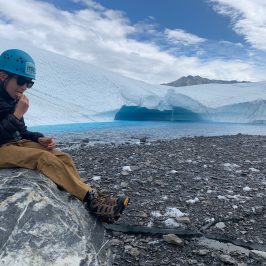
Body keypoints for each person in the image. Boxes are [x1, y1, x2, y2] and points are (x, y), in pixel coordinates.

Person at [0, 49, 129, 223]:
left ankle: (87, 195)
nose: (24, 87)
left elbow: (21, 132)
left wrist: (38, 138)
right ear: (2, 76)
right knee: (43, 158)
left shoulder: (11, 98)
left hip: (11, 142)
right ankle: (91, 201)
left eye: (29, 83)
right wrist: (16, 114)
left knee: (62, 157)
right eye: (21, 81)